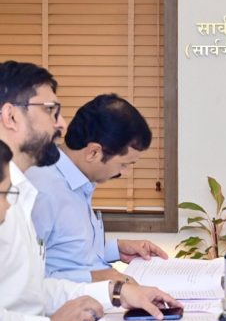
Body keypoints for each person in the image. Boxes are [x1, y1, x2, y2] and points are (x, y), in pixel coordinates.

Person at [0, 61, 180, 321]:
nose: (61, 124)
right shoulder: (32, 190)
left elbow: (31, 289)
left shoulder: (23, 190)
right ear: (10, 116)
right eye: (50, 110)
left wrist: (114, 290)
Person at [27, 94, 167, 284]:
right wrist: (96, 278)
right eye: (124, 164)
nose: (125, 173)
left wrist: (116, 249)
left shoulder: (79, 181)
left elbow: (67, 254)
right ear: (93, 152)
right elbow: (22, 280)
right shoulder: (41, 191)